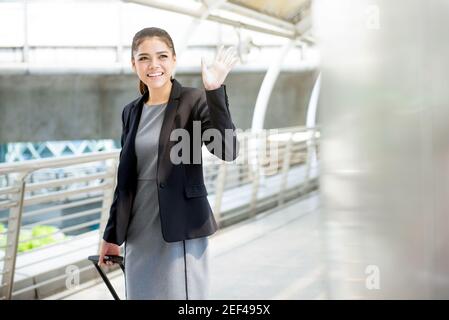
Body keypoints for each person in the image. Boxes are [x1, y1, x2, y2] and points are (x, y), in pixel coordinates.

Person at [97, 27, 239, 300]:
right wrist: (112, 236)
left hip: (180, 230)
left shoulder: (193, 101)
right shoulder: (131, 111)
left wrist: (214, 91)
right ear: (133, 64)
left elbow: (227, 150)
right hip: (138, 233)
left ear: (173, 60)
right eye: (144, 58)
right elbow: (125, 181)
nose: (154, 65)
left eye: (162, 56)